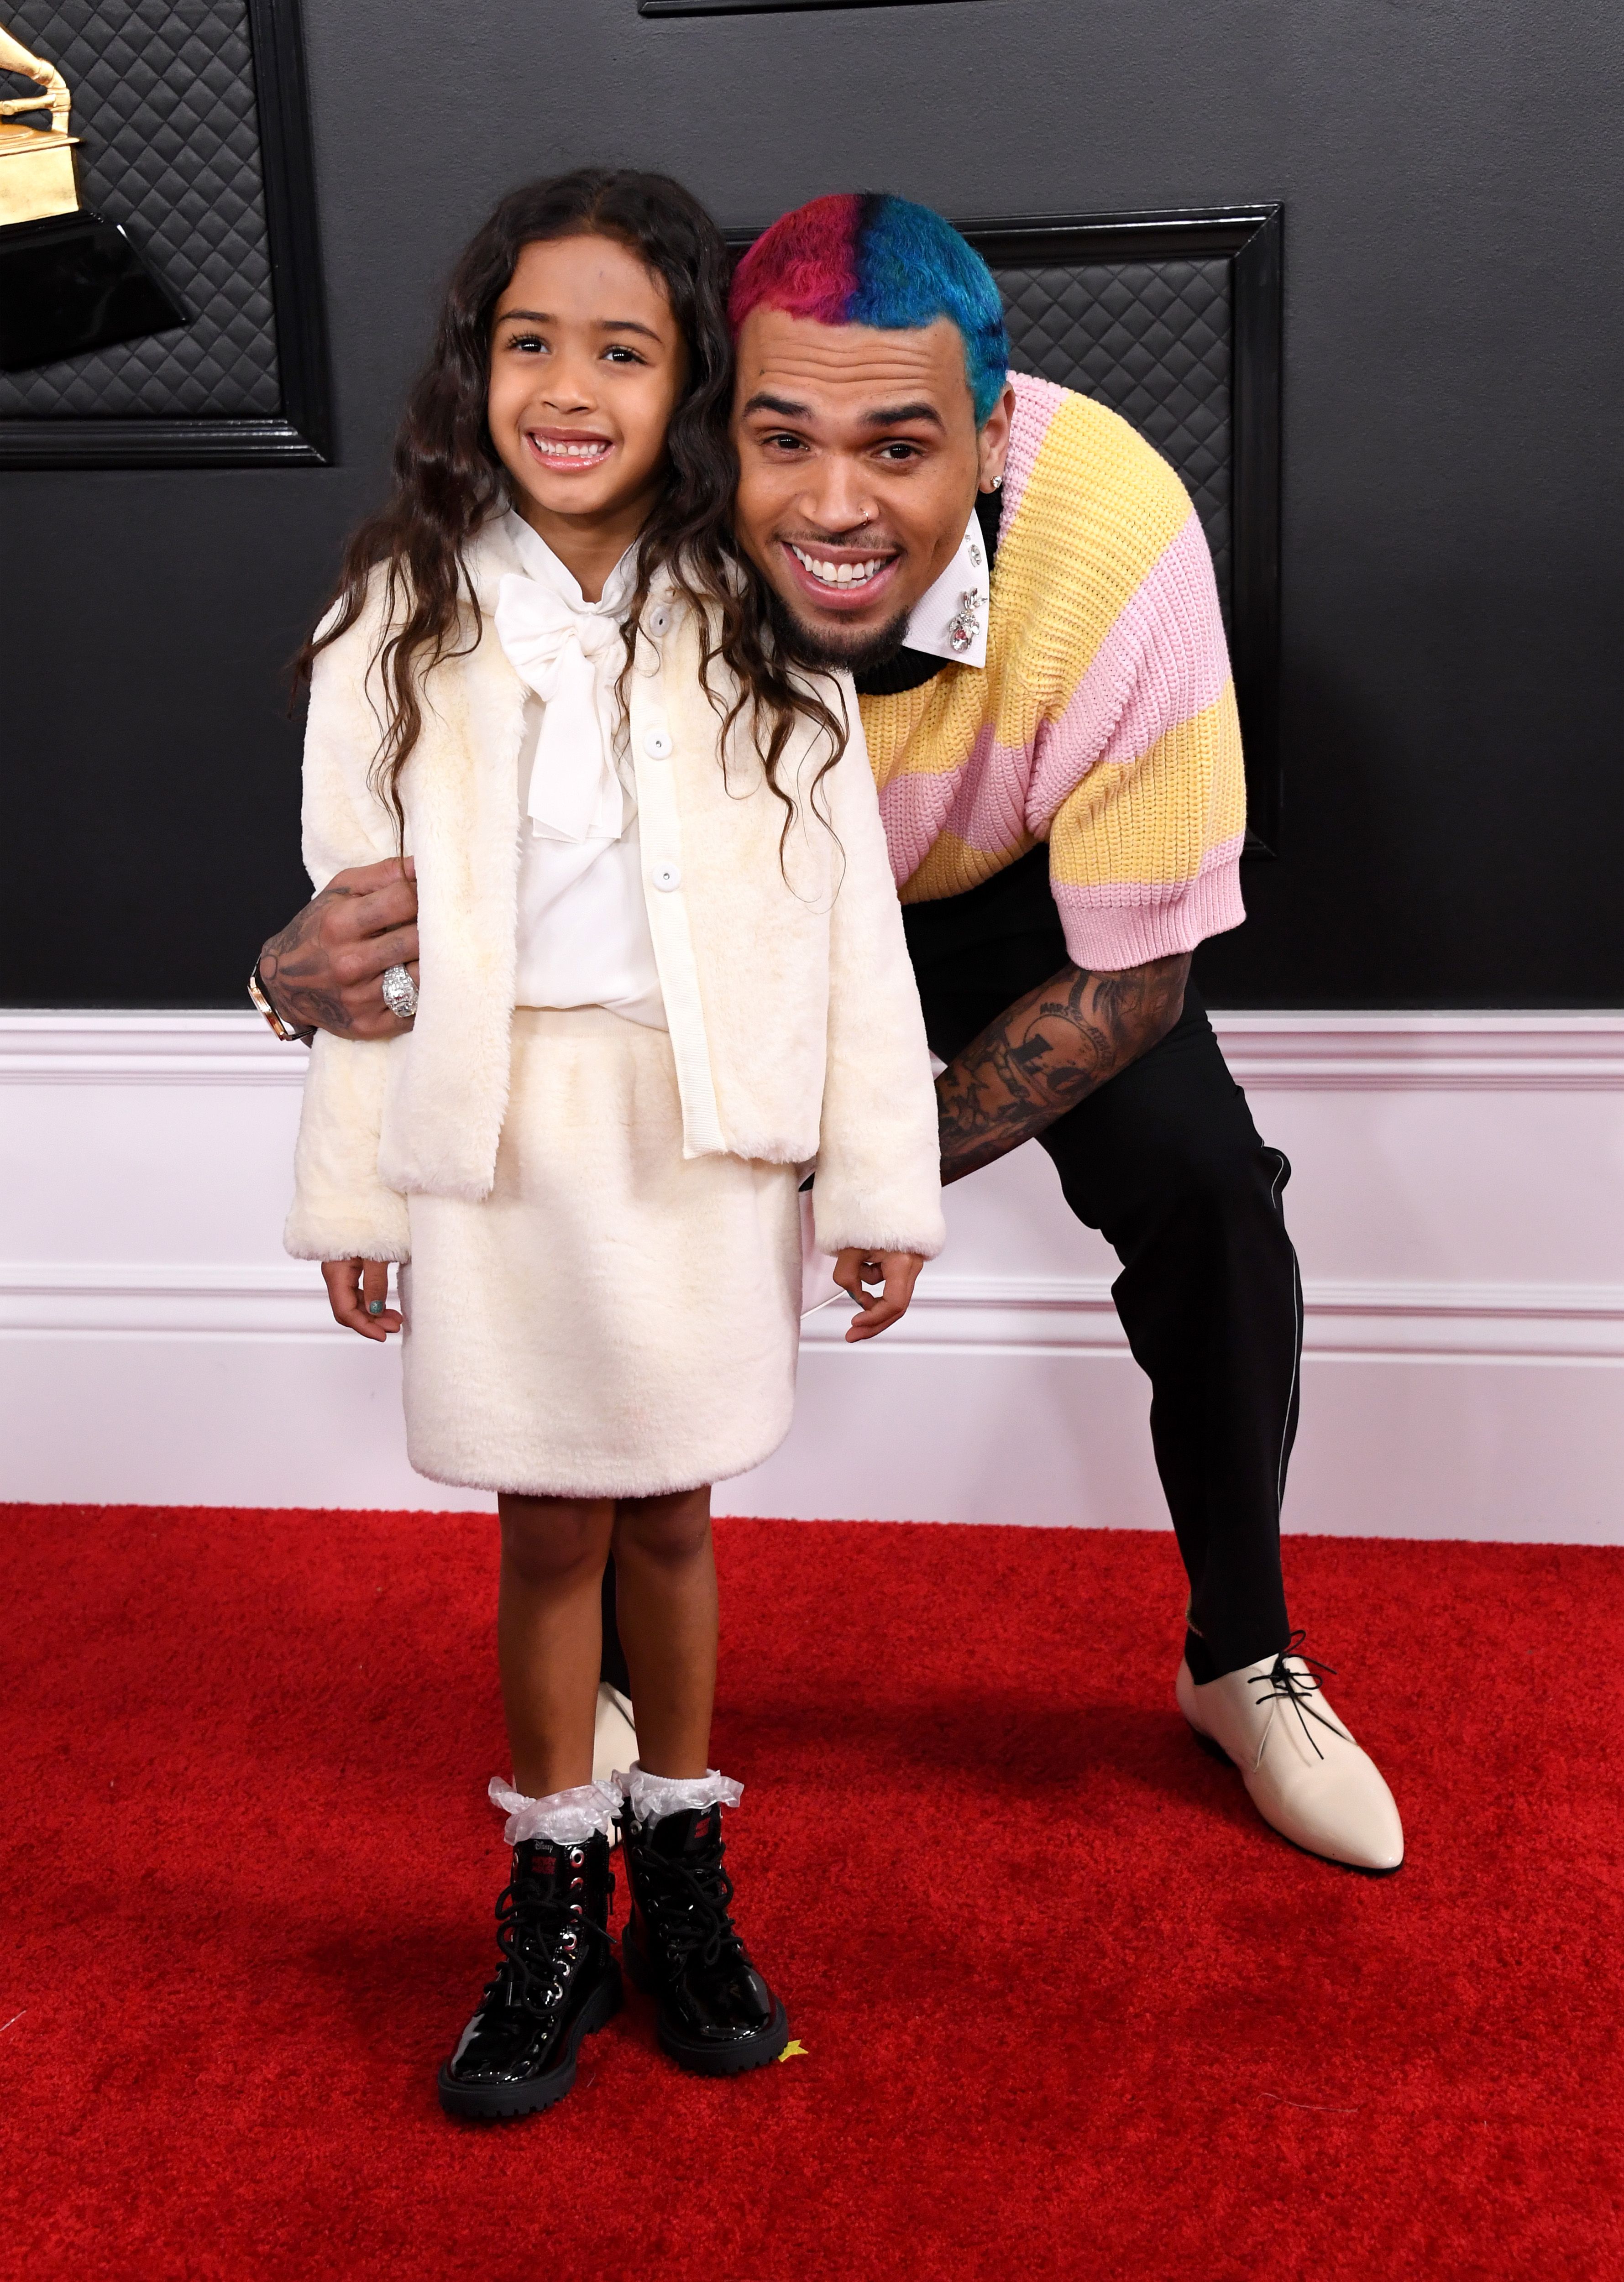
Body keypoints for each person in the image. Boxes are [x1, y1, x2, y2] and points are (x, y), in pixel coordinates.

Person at [256, 188, 1402, 1878]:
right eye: (782, 437)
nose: (836, 503)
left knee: (1207, 1183)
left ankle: (1244, 1652)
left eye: (901, 447)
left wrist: (839, 1168)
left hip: (1004, 892)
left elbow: (1141, 981)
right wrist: (291, 979)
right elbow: (457, 840)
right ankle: (622, 1703)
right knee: (624, 1222)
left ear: (993, 438)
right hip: (720, 912)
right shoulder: (647, 497)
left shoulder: (1115, 539)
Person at [283, 169, 943, 2121]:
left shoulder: (761, 615)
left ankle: (683, 1868)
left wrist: (874, 1181)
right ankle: (550, 1885)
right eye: (528, 343)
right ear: (473, 368)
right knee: (545, 1519)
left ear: (692, 387)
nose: (566, 388)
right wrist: (350, 1179)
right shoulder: (389, 612)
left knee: (672, 1507)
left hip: (692, 1142)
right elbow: (353, 929)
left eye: (623, 350)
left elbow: (845, 929)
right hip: (495, 1140)